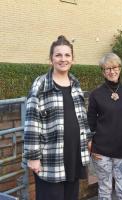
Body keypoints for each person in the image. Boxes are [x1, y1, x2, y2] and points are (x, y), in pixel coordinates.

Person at [23, 35, 90, 200]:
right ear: (51, 58)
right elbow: (32, 123)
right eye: (58, 55)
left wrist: (88, 139)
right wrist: (33, 157)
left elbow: (82, 117)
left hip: (74, 155)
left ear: (73, 59)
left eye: (67, 55)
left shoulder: (76, 84)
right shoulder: (40, 85)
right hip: (50, 159)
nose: (63, 59)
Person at [87, 53, 122, 200]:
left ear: (120, 69)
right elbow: (90, 121)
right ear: (103, 72)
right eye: (107, 68)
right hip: (101, 150)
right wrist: (90, 144)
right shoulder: (96, 94)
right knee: (105, 189)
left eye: (115, 67)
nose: (112, 71)